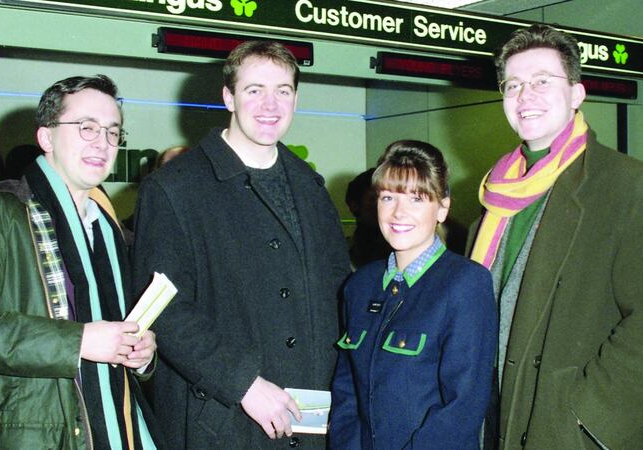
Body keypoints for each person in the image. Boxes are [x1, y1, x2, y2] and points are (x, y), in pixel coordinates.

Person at [468, 24, 643, 449]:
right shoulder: (493, 199)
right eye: (513, 84)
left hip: (563, 433)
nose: (524, 95)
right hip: (487, 426)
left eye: (541, 81)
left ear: (576, 94)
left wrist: (582, 416)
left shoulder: (632, 188)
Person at [132, 41, 351, 449]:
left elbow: (338, 292)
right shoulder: (174, 188)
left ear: (296, 98)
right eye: (254, 90)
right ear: (228, 96)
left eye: (283, 91)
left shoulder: (310, 187)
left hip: (306, 418)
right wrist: (244, 384)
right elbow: (163, 309)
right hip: (221, 418)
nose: (270, 105)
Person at [0, 75, 163, 449]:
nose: (102, 143)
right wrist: (79, 341)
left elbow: (116, 334)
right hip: (25, 433)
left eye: (111, 132)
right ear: (46, 137)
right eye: (86, 127)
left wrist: (139, 352)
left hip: (112, 430)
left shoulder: (111, 231)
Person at [330, 140, 497, 449]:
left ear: (443, 207)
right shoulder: (360, 285)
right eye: (388, 197)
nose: (398, 213)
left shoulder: (465, 283)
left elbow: (463, 407)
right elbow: (346, 392)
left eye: (417, 199)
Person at [345, 167, 392, 268]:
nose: (384, 206)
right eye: (374, 199)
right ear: (354, 206)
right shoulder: (339, 253)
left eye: (388, 198)